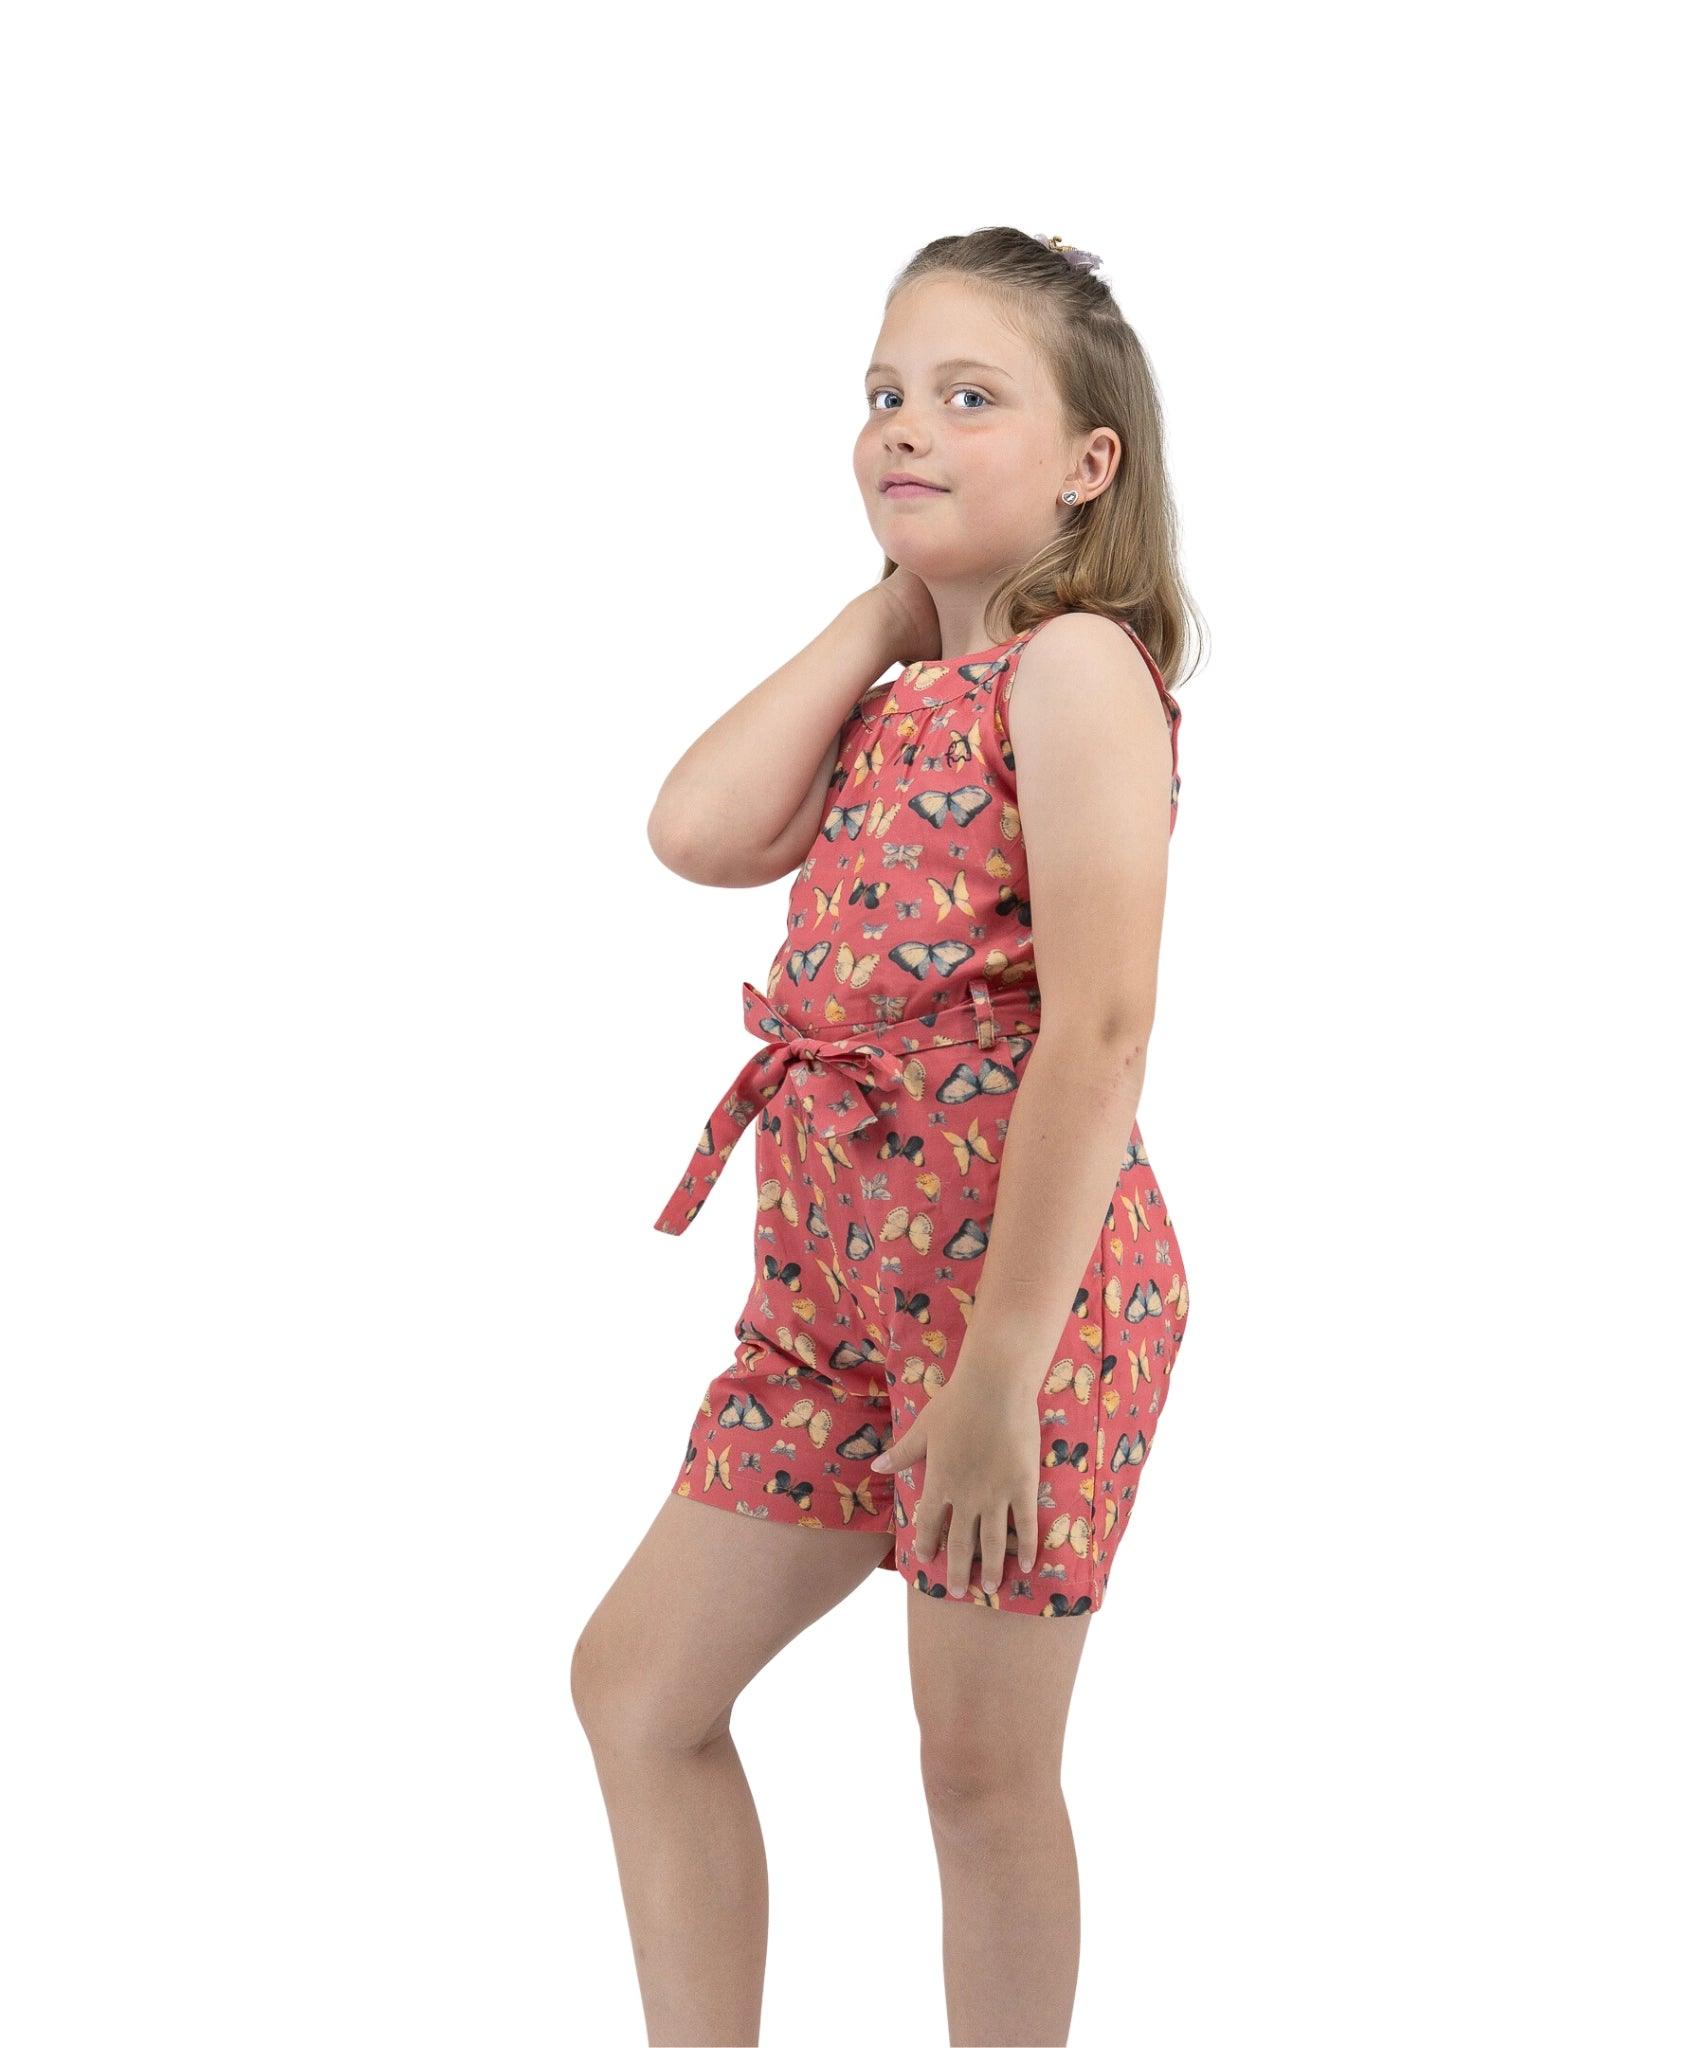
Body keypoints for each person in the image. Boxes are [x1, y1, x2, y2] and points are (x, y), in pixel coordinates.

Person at [571, 226, 1198, 2048]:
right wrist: (894, 597)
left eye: (968, 396)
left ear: (1092, 467)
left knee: (975, 1777)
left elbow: (1100, 1024)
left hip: (1024, 1308)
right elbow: (695, 830)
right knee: (639, 1687)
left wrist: (1004, 1365)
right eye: (882, 395)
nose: (903, 426)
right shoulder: (905, 678)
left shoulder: (1075, 671)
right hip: (827, 1301)